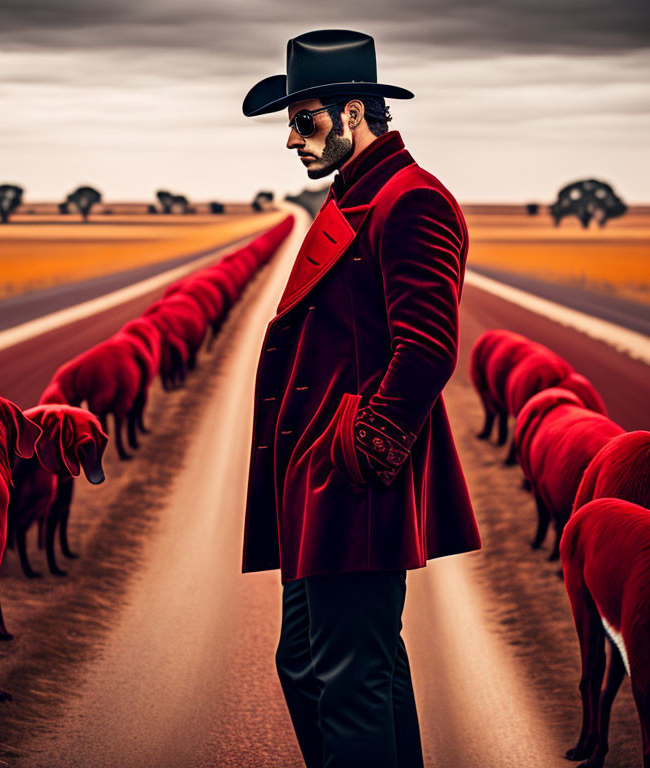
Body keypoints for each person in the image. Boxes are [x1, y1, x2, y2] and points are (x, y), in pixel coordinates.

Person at [240, 29, 482, 767]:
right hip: (324, 485)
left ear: (354, 115)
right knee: (319, 662)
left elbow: (428, 348)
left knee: (347, 675)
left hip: (350, 480)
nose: (290, 139)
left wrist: (358, 452)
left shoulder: (410, 202)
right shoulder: (362, 194)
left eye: (304, 119)